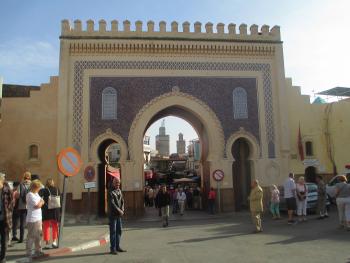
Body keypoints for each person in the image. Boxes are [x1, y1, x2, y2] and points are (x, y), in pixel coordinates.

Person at [26, 179, 45, 258]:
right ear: (35, 187)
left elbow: (42, 201)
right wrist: (41, 202)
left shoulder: (36, 193)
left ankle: (38, 250)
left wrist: (41, 201)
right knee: (31, 236)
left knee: (39, 236)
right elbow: (37, 205)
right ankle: (29, 252)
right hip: (32, 219)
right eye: (38, 187)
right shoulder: (30, 194)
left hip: (38, 218)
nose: (39, 189)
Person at [39, 179, 61, 249]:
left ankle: (47, 242)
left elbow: (39, 196)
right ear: (53, 183)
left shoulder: (44, 190)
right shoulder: (57, 189)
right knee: (55, 226)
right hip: (56, 211)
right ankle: (54, 241)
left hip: (47, 210)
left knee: (46, 227)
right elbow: (61, 199)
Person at [108, 177, 126, 255]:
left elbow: (122, 201)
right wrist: (119, 210)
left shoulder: (119, 191)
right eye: (116, 183)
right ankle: (113, 248)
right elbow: (112, 204)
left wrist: (122, 209)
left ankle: (117, 247)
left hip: (119, 215)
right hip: (112, 215)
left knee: (119, 230)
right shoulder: (110, 192)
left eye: (119, 183)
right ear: (113, 183)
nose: (118, 184)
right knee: (113, 232)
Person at [0, 173, 13, 263]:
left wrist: (8, 211)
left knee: (4, 239)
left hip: (4, 218)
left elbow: (12, 202)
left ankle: (3, 257)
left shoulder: (7, 190)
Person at [17, 171, 31, 243]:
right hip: (30, 206)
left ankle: (21, 238)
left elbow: (18, 195)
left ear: (24, 177)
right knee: (30, 222)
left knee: (22, 223)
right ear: (30, 177)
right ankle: (29, 237)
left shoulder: (20, 184)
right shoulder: (32, 184)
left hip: (22, 206)